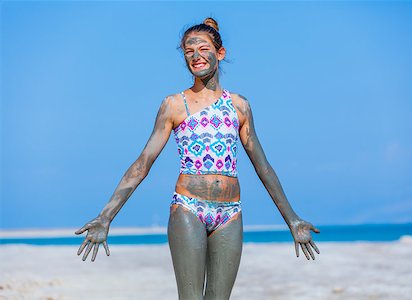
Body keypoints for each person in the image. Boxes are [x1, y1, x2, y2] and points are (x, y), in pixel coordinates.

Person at [75, 17, 320, 299]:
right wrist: (106, 216)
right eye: (189, 51)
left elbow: (262, 166)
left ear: (220, 52)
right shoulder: (174, 105)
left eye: (203, 48)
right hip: (188, 207)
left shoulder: (239, 106)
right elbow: (143, 164)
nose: (196, 56)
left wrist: (292, 220)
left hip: (230, 212)